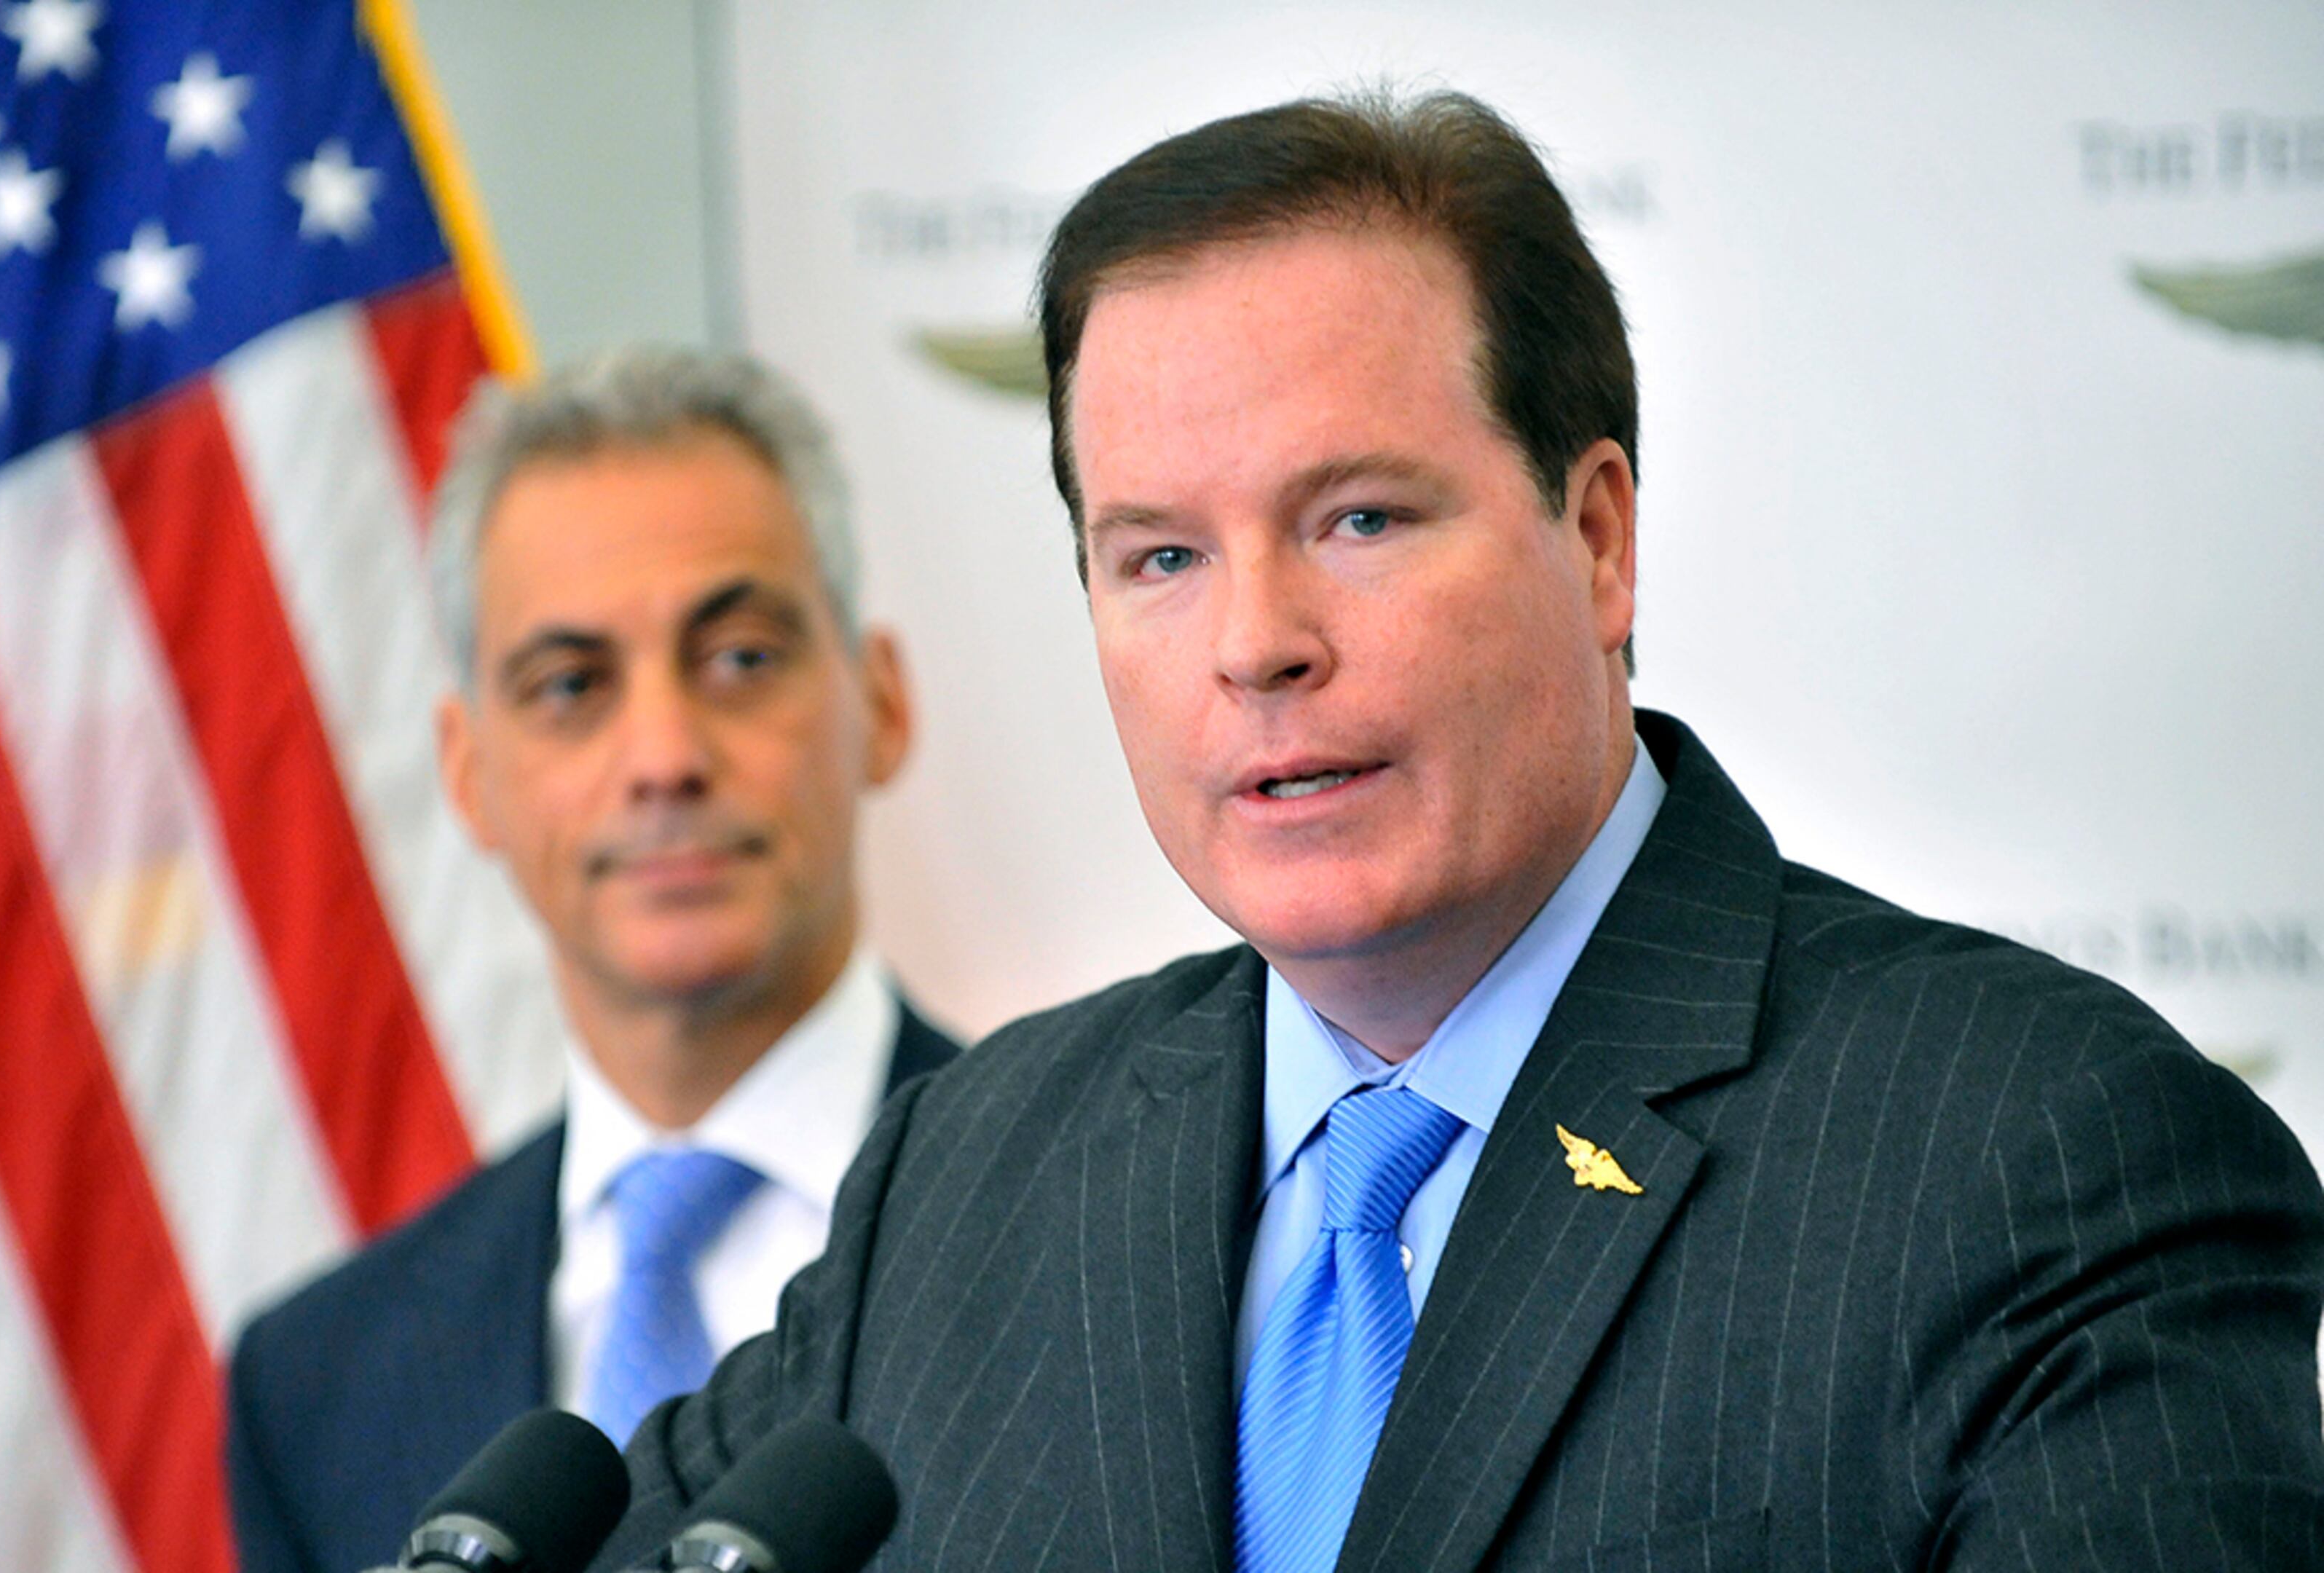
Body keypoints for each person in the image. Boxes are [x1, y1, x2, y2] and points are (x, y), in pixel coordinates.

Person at [596, 92, 2324, 1570]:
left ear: (1596, 540)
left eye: (1356, 518)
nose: (1255, 640)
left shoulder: (2038, 1155)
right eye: (1160, 557)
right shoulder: (969, 1174)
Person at [224, 348, 961, 1573]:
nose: (663, 755)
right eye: (571, 686)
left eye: (739, 659)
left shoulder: (1121, 1232)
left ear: (879, 702)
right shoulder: (317, 1383)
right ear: (469, 776)